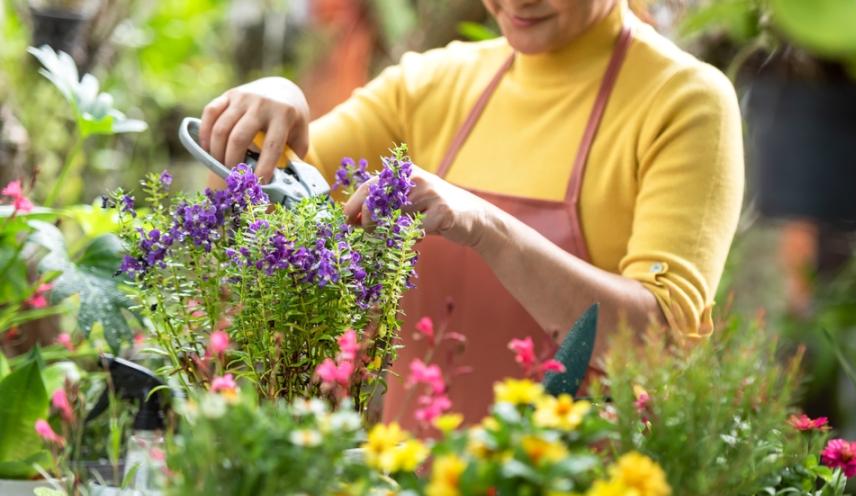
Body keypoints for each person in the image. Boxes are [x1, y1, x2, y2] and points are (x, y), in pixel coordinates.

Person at [199, 0, 744, 425]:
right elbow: (249, 197)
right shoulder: (430, 86)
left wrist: (488, 228)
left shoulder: (684, 100)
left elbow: (659, 343)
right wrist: (270, 105)